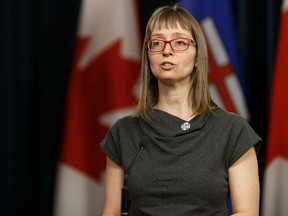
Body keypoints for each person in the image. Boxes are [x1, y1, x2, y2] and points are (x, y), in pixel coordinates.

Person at [100, 4, 262, 216]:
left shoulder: (233, 132)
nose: (167, 50)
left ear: (197, 57)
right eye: (157, 43)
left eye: (179, 42)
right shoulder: (124, 132)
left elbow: (246, 212)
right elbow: (111, 212)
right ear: (149, 56)